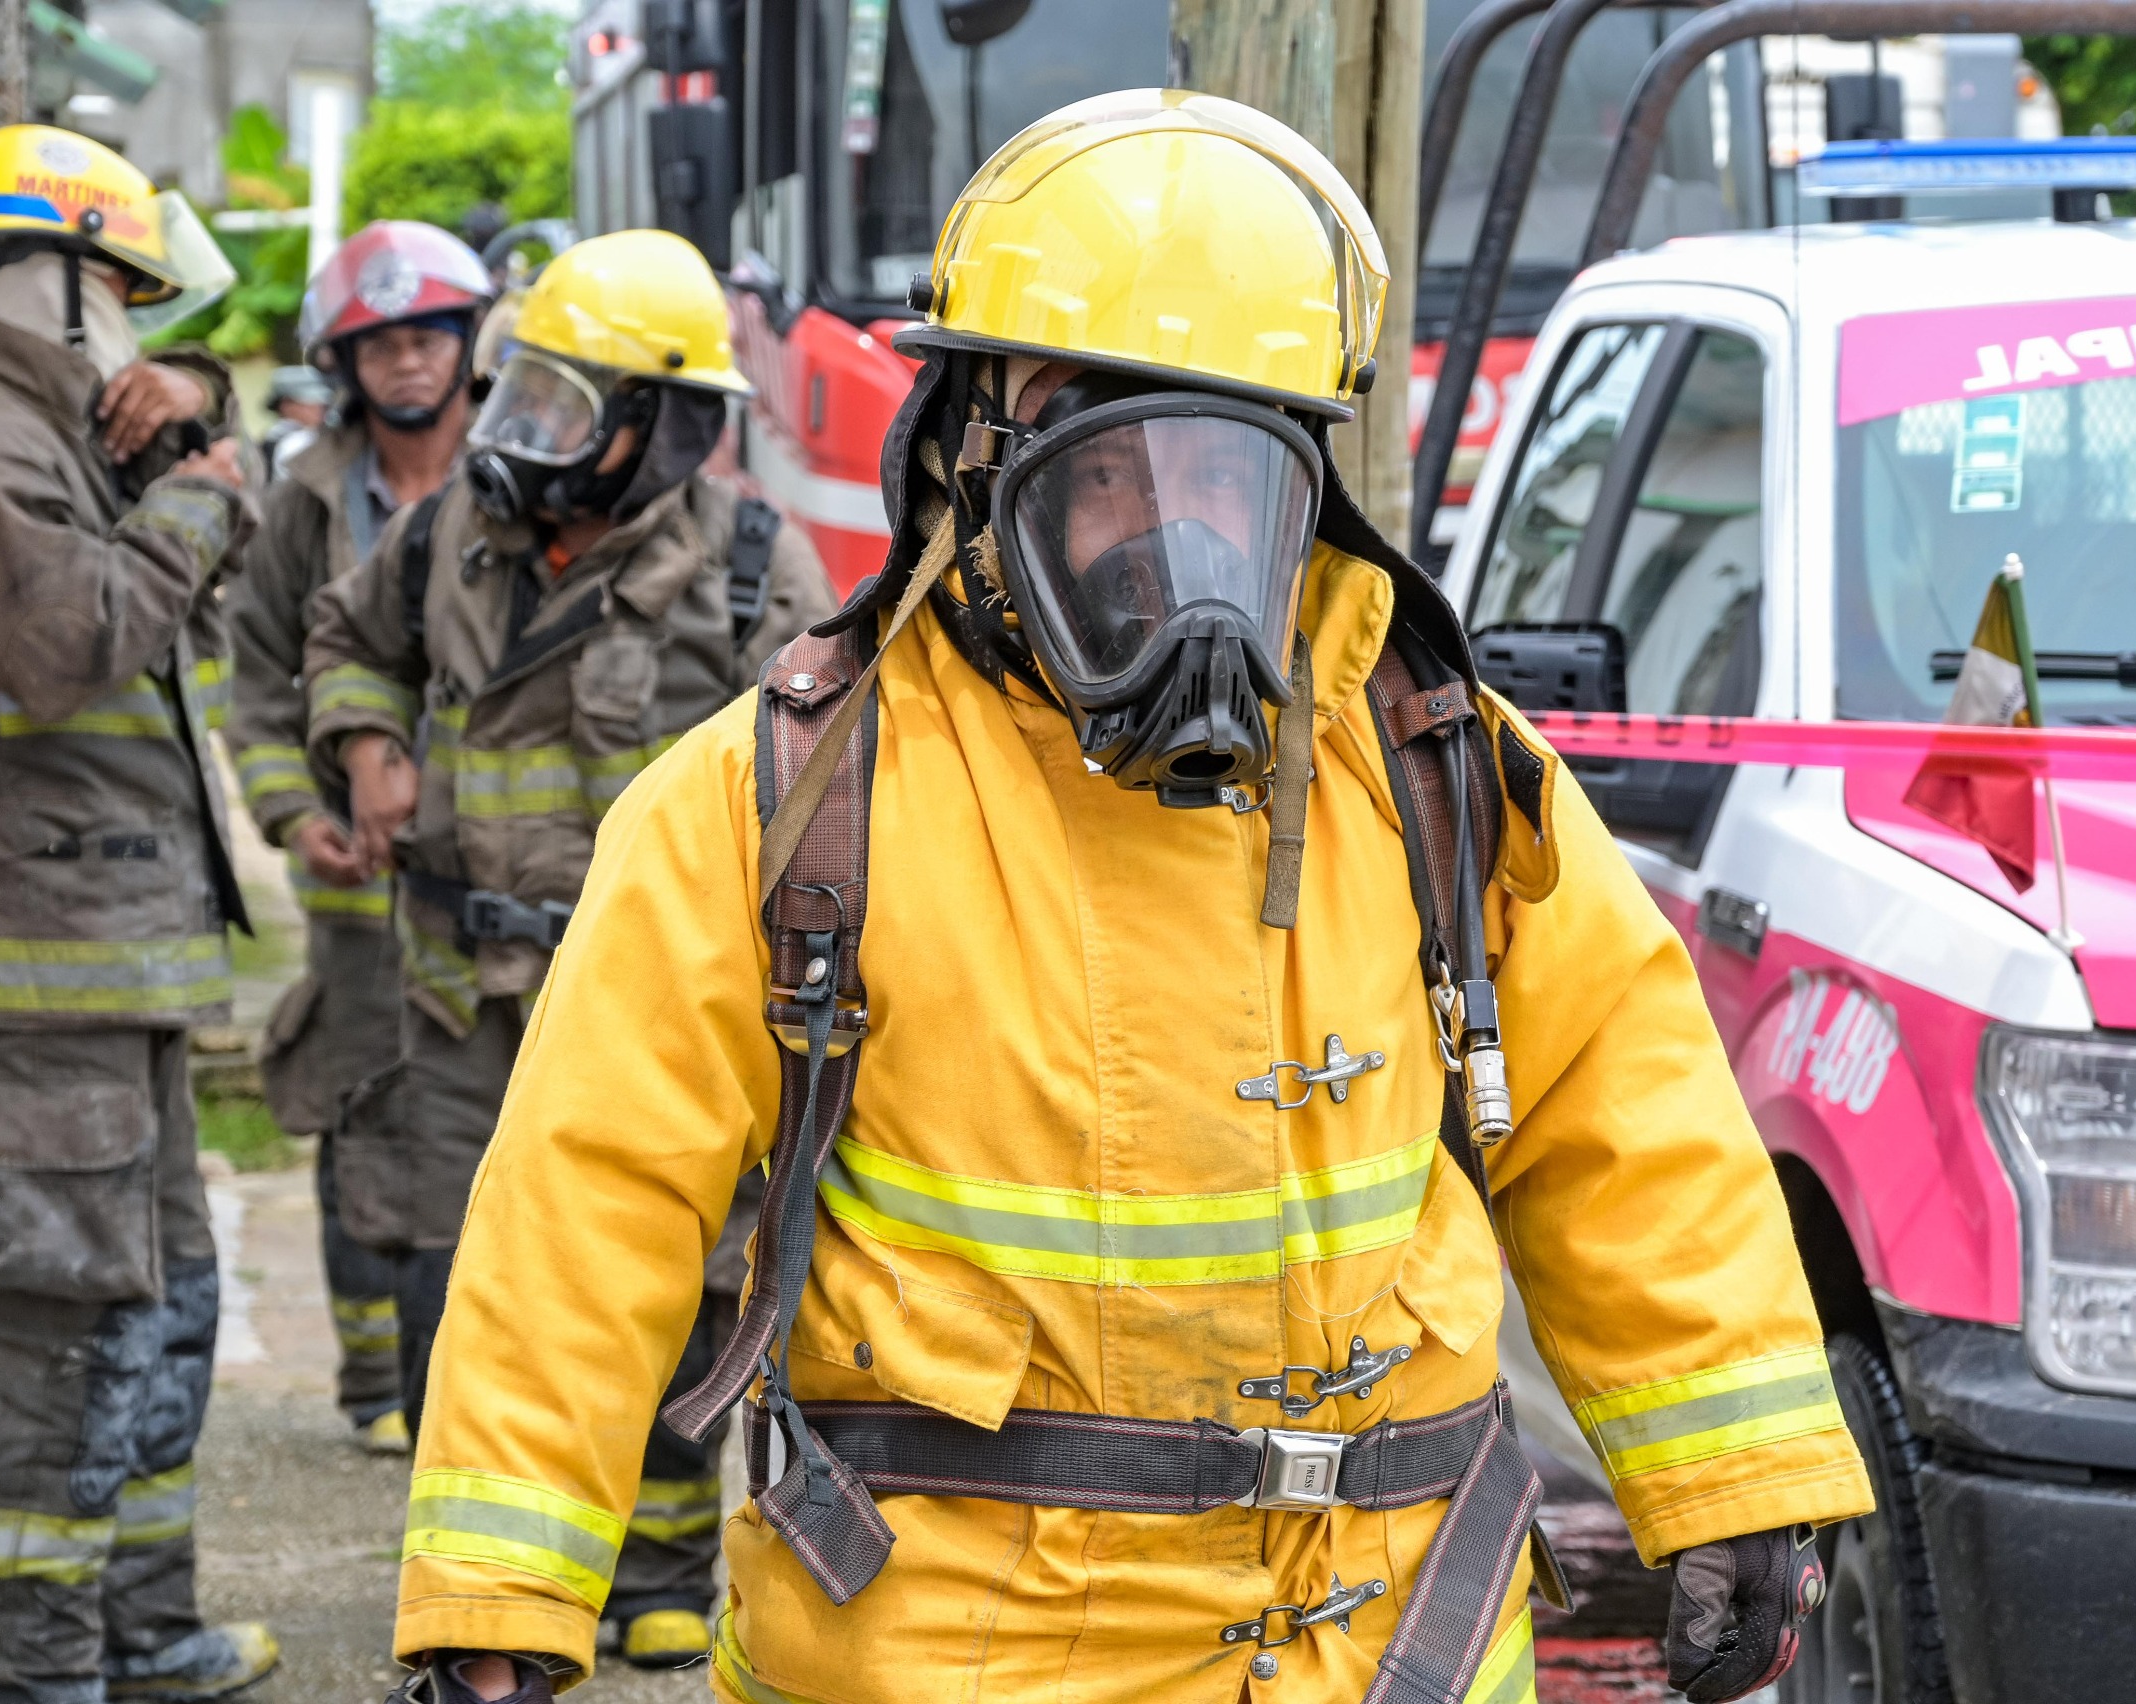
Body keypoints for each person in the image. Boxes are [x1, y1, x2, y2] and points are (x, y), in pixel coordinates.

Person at [386, 90, 1878, 1704]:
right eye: (1105, 469)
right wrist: (500, 1599)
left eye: (1227, 473)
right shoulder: (776, 802)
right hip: (950, 1649)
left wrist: (1739, 1473)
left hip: (1393, 1639)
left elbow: (1622, 1109)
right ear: (974, 454)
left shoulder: (1436, 761)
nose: (1168, 543)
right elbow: (582, 1208)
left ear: (1309, 487)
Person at [302, 227, 835, 1670]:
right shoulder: (450, 535)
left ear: (657, 426)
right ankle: (474, 1585)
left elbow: (820, 787)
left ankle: (655, 1559)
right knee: (459, 1272)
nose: (519, 436)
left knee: (671, 1280)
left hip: (649, 1009)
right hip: (459, 992)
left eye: (561, 407)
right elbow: (344, 637)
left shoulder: (747, 567)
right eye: (520, 394)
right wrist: (359, 742)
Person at [0, 123, 276, 1703]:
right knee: (55, 1341)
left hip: (110, 982)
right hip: (31, 993)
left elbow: (189, 455)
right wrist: (203, 500)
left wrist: (201, 413)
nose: (134, 323)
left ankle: (136, 1633)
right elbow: (68, 638)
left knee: (160, 1320)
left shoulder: (50, 433)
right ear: (44, 282)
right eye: (120, 288)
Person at [225, 220, 496, 1458]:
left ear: (466, 345)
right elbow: (262, 679)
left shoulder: (516, 467)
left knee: (483, 1112)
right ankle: (371, 1387)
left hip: (493, 879)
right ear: (344, 360)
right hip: (356, 880)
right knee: (359, 1104)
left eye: (426, 336)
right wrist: (299, 815)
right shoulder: (304, 499)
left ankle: (462, 1369)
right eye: (376, 342)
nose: (403, 364)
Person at [259, 365, 334, 479]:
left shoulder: (317, 434)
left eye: (322, 403)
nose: (319, 408)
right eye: (309, 402)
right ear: (286, 405)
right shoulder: (287, 443)